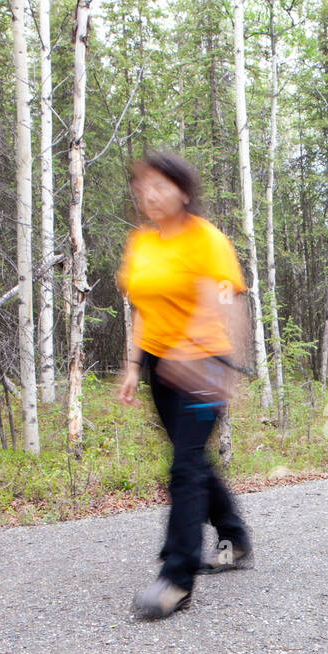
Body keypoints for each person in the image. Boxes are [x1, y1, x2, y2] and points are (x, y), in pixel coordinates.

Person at [116, 151, 254, 620]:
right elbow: (141, 308)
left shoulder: (206, 240)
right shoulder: (141, 243)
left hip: (205, 363)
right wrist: (135, 365)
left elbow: (223, 302)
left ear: (184, 191)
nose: (148, 193)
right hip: (160, 364)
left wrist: (203, 355)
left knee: (183, 467)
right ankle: (235, 537)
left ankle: (176, 579)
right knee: (191, 458)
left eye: (159, 185)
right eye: (142, 185)